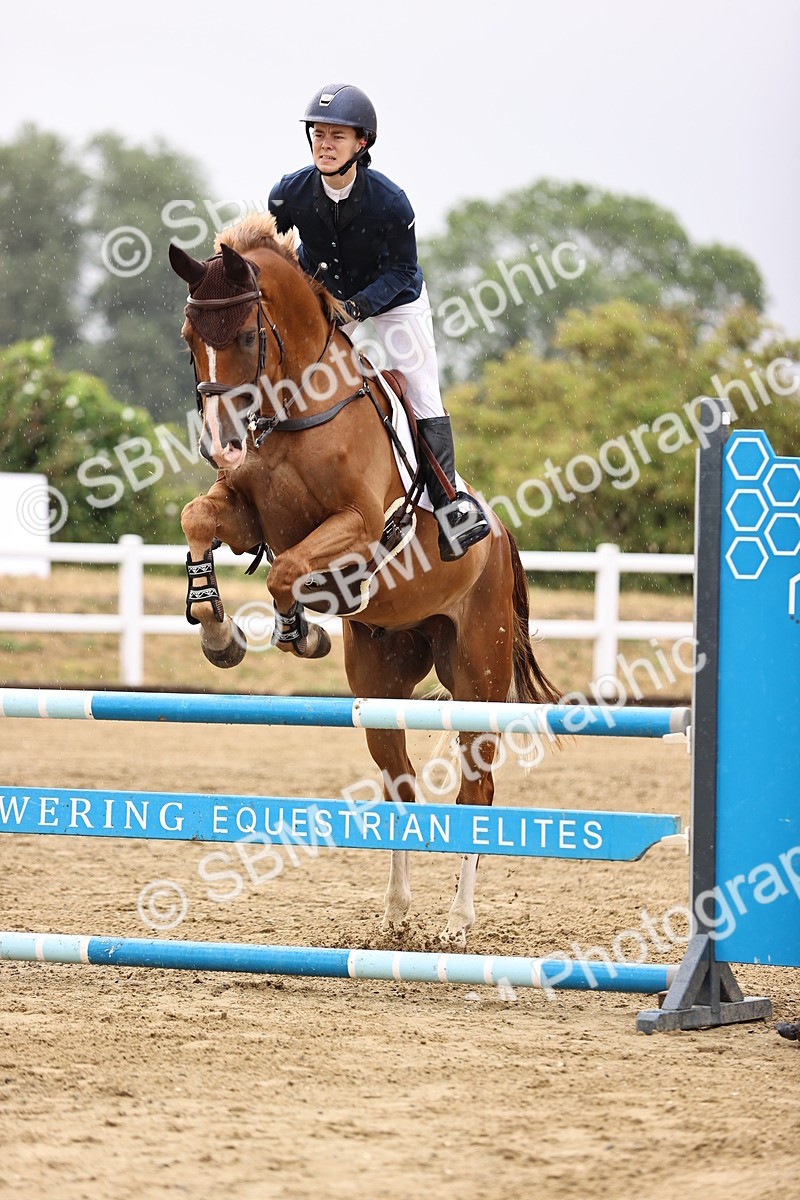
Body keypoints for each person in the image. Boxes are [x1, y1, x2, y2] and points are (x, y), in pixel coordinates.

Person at [268, 83, 490, 562]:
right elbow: (280, 256)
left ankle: (451, 504)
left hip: (393, 297)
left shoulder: (390, 202)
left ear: (361, 144)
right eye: (319, 135)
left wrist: (358, 307)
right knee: (284, 368)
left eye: (337, 137)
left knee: (421, 386)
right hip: (324, 291)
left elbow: (403, 272)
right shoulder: (289, 193)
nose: (325, 145)